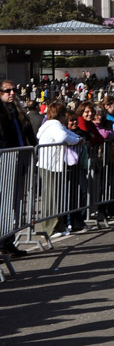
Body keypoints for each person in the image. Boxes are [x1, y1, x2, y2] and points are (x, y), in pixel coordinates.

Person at [0, 79, 38, 257]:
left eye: (14, 90)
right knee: (4, 205)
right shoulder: (2, 111)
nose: (12, 93)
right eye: (8, 91)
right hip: (6, 160)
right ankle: (3, 243)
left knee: (13, 205)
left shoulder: (15, 110)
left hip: (19, 160)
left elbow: (27, 131)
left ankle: (8, 242)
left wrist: (33, 147)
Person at [34, 103, 82, 238]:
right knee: (52, 198)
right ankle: (51, 228)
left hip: (51, 164)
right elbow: (62, 137)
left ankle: (58, 226)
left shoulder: (51, 124)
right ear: (61, 115)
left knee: (56, 197)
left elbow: (67, 133)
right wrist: (77, 141)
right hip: (50, 165)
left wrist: (77, 139)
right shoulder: (54, 125)